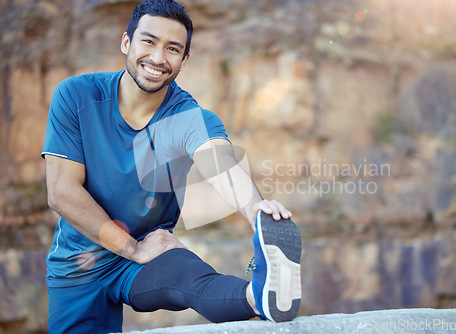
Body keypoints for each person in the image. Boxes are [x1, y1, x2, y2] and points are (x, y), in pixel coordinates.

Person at [41, 0, 302, 333]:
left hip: (147, 257)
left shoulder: (186, 117)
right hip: (80, 264)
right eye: (148, 41)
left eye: (173, 49)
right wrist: (132, 248)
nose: (158, 58)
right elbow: (61, 192)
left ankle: (260, 296)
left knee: (190, 279)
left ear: (185, 59)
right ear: (126, 42)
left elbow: (220, 163)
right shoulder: (77, 96)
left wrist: (258, 214)